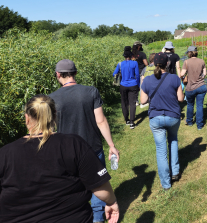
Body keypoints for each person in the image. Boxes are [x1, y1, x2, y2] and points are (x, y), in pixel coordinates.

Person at [0, 94, 120, 223]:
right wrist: (111, 202)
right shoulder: (73, 144)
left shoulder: (4, 153)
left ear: (27, 118)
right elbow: (100, 186)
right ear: (55, 116)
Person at [49, 59, 120, 223]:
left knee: (72, 188)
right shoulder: (91, 92)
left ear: (58, 75)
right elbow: (101, 121)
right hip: (92, 148)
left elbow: (50, 128)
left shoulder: (51, 99)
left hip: (65, 152)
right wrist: (111, 145)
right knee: (98, 183)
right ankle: (97, 218)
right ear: (75, 73)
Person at [141, 53, 184, 190]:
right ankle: (175, 172)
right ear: (167, 64)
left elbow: (142, 101)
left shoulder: (147, 80)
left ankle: (166, 183)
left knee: (161, 150)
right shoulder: (174, 78)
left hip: (156, 118)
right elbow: (181, 99)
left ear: (153, 63)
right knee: (173, 140)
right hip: (173, 117)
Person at [180, 46, 207, 129]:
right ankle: (199, 125)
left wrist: (185, 77)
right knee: (199, 105)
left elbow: (181, 74)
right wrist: (200, 78)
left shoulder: (186, 62)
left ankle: (190, 121)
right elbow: (204, 74)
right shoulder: (202, 61)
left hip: (190, 87)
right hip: (201, 86)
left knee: (190, 105)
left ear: (189, 53)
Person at [114, 46, 140, 127]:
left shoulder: (120, 64)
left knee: (124, 103)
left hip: (123, 85)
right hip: (133, 85)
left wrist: (121, 74)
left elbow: (114, 74)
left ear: (124, 56)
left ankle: (127, 120)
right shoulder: (135, 63)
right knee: (132, 103)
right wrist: (138, 85)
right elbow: (138, 75)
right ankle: (132, 122)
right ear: (131, 55)